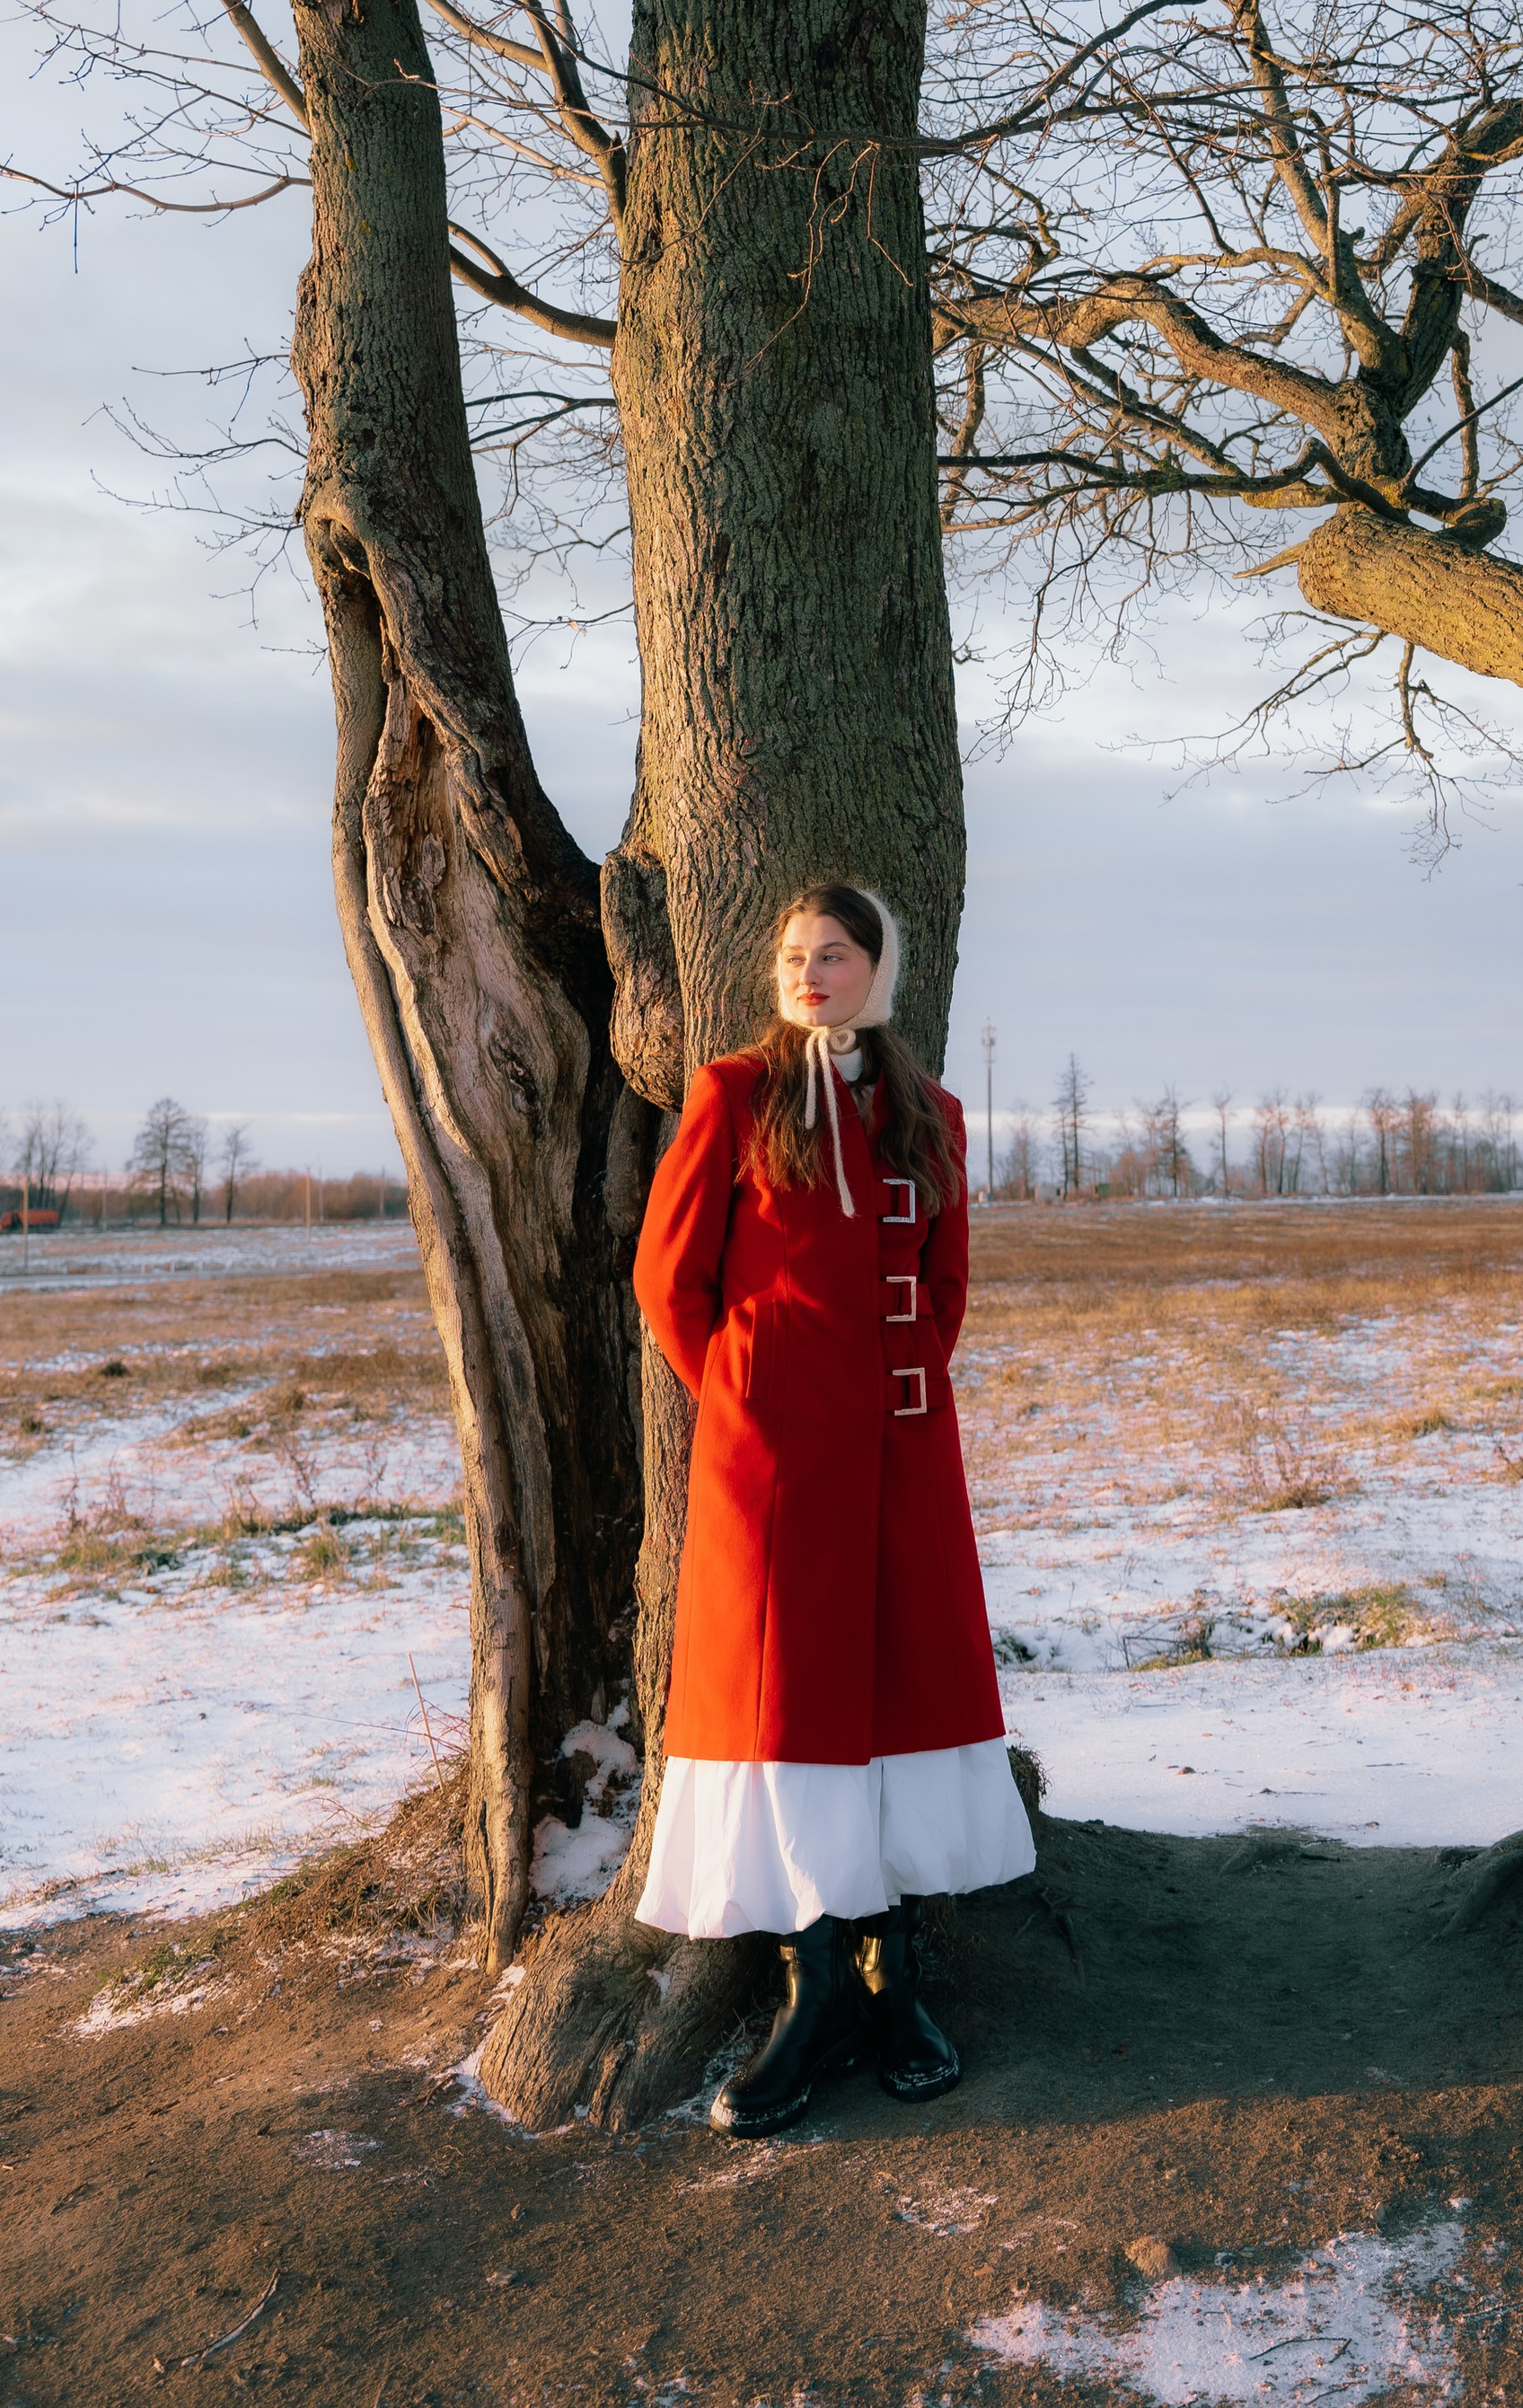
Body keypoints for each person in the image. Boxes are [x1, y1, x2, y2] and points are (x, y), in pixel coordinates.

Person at [629, 881, 1034, 2134]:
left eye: (838, 953)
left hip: (908, 1455)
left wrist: (894, 1384)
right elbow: (667, 1276)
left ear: (879, 969)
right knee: (789, 1706)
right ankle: (810, 1998)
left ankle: (892, 1985)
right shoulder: (736, 1095)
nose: (812, 973)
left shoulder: (934, 1112)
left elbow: (946, 1281)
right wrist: (748, 1396)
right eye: (797, 955)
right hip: (773, 1465)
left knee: (901, 1699)